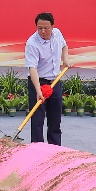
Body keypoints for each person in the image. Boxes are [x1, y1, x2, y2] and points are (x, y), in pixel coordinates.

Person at [25, 13, 71, 146]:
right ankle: (37, 148)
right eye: (40, 28)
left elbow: (64, 46)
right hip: (38, 82)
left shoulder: (57, 34)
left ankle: (55, 148)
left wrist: (65, 59)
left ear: (52, 26)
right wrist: (38, 90)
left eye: (46, 28)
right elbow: (32, 69)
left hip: (55, 81)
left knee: (55, 119)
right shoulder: (32, 43)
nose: (43, 31)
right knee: (37, 120)